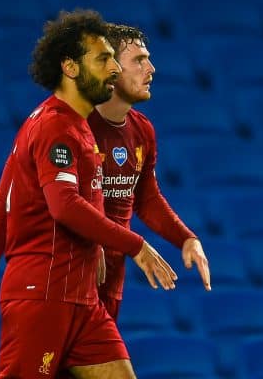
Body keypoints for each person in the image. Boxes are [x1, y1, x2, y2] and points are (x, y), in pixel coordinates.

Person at [0, 10, 177, 378]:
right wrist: (136, 245)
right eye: (103, 59)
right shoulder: (54, 126)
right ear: (70, 68)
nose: (114, 69)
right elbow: (65, 206)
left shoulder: (77, 126)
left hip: (82, 299)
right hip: (43, 293)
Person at [89, 23, 211, 321]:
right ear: (111, 68)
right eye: (139, 60)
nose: (152, 68)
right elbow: (56, 202)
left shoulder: (142, 130)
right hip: (65, 280)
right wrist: (84, 244)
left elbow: (145, 197)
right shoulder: (75, 126)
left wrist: (186, 238)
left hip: (110, 283)